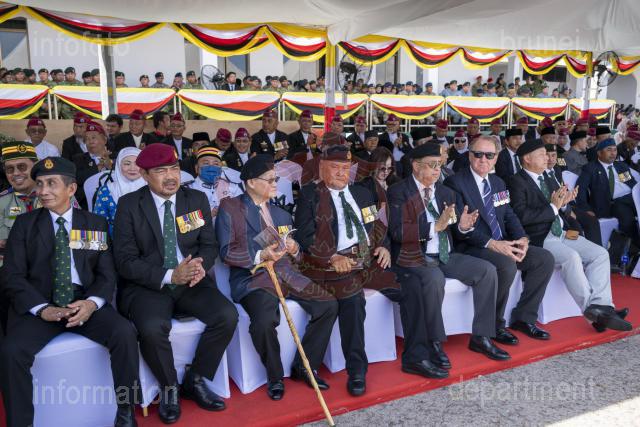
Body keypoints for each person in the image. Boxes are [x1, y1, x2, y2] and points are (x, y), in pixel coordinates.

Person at [0, 157, 140, 427]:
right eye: (40, 184)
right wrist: (42, 309)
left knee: (124, 333)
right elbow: (13, 276)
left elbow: (106, 273)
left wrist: (91, 304)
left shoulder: (94, 223)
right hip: (41, 305)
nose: (43, 191)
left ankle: (126, 411)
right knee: (11, 351)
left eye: (51, 184)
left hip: (82, 303)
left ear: (72, 189)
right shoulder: (25, 225)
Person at [113, 144, 238, 424]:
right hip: (149, 284)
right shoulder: (130, 205)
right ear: (144, 175)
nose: (170, 176)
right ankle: (169, 388)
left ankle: (196, 378)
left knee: (227, 315)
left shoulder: (195, 199)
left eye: (174, 169)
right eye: (160, 171)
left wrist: (199, 266)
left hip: (191, 280)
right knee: (151, 327)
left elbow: (209, 244)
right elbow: (125, 261)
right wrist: (170, 276)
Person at [216, 155, 337, 399]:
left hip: (287, 274)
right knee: (264, 320)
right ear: (251, 182)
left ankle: (305, 366)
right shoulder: (231, 208)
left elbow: (297, 255)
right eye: (270, 180)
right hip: (253, 278)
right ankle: (274, 375)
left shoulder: (281, 214)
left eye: (276, 179)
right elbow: (226, 251)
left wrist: (294, 248)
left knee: (328, 304)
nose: (275, 184)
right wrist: (261, 254)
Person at [387, 142, 510, 370]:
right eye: (432, 165)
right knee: (434, 279)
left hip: (445, 254)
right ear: (416, 166)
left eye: (439, 164)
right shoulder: (399, 191)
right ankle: (434, 342)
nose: (437, 170)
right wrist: (434, 226)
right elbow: (397, 232)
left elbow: (454, 229)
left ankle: (481, 336)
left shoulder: (445, 192)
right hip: (415, 256)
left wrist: (462, 226)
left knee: (487, 271)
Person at [295, 145, 398, 396]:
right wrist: (332, 257)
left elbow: (376, 224)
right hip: (331, 265)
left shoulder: (362, 193)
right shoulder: (310, 195)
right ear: (322, 168)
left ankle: (419, 348)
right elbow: (305, 236)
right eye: (335, 167)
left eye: (345, 168)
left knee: (409, 283)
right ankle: (357, 370)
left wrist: (383, 246)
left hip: (365, 259)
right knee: (353, 301)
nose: (342, 173)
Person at [507, 139, 631, 332]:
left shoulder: (547, 176)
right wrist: (553, 207)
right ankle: (595, 313)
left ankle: (603, 306)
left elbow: (559, 207)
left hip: (562, 232)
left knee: (600, 254)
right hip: (540, 237)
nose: (547, 158)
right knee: (571, 257)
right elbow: (521, 216)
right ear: (527, 159)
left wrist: (565, 204)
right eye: (542, 154)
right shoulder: (516, 181)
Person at [445, 136, 554, 344]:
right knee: (506, 264)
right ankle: (494, 325)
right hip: (472, 246)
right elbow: (459, 229)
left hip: (502, 242)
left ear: (496, 158)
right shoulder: (455, 183)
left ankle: (524, 318)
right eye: (478, 154)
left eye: (489, 155)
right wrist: (493, 244)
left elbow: (509, 214)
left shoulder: (497, 182)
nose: (483, 159)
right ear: (469, 155)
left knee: (544, 259)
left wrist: (522, 238)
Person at [576, 138, 639, 243]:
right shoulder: (591, 168)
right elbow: (580, 189)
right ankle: (634, 246)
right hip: (615, 202)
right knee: (627, 220)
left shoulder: (620, 166)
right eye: (609, 150)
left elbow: (631, 183)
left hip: (632, 197)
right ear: (599, 153)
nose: (613, 153)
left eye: (615, 150)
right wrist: (585, 208)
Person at [0, 141, 40, 267]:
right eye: (10, 169)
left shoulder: (58, 196)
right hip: (13, 268)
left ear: (35, 166)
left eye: (22, 167)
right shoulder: (2, 202)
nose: (16, 173)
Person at [93, 147, 145, 236]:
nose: (132, 168)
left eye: (137, 164)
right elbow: (98, 224)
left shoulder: (153, 188)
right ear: (119, 165)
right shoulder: (106, 191)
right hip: (115, 241)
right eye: (127, 164)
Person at [187, 145, 242, 222]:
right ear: (196, 168)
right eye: (206, 163)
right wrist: (206, 216)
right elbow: (183, 225)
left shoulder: (232, 186)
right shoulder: (188, 190)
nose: (211, 167)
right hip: (202, 230)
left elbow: (244, 212)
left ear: (221, 168)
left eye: (216, 164)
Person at [72, 122, 113, 209]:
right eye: (87, 139)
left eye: (94, 137)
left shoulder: (116, 156)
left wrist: (110, 166)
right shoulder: (78, 159)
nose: (90, 141)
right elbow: (77, 178)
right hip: (86, 205)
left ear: (104, 140)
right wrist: (98, 167)